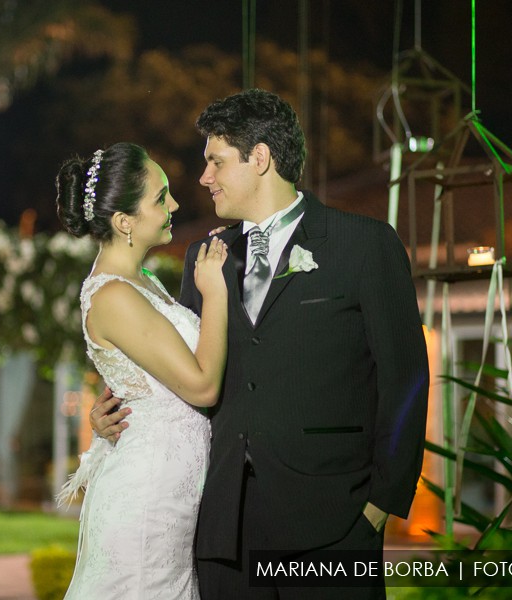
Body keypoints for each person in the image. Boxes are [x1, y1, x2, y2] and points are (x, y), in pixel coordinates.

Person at [90, 90, 429, 599]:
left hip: (332, 527)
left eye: (215, 161)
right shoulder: (206, 258)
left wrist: (382, 502)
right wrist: (113, 411)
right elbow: (183, 368)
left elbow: (406, 379)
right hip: (224, 530)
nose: (204, 178)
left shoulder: (365, 245)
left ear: (261, 158)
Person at [55, 142, 229, 599]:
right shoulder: (112, 295)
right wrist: (215, 294)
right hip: (146, 504)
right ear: (124, 222)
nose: (174, 204)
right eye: (161, 197)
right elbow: (203, 386)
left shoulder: (144, 281)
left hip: (169, 495)